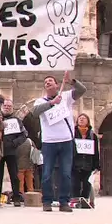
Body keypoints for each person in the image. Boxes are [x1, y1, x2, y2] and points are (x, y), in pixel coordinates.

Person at [32, 72, 87, 212]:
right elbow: (35, 112)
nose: (48, 83)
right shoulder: (40, 101)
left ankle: (64, 201)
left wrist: (72, 81)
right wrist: (51, 103)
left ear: (57, 85)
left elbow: (82, 90)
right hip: (49, 142)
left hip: (66, 141)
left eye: (50, 80)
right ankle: (47, 201)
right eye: (45, 82)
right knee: (47, 173)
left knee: (66, 173)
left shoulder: (67, 96)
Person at [0, 98, 28, 207]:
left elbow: (24, 134)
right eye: (5, 106)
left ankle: (16, 197)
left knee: (14, 175)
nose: (7, 108)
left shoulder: (16, 120)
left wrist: (14, 143)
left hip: (11, 151)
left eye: (9, 106)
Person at [72, 113, 100, 208]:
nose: (82, 119)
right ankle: (75, 201)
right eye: (80, 118)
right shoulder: (72, 133)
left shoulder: (92, 135)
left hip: (88, 163)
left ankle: (85, 200)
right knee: (75, 183)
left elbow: (96, 151)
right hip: (75, 162)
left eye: (84, 118)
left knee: (86, 183)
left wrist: (97, 165)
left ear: (88, 121)